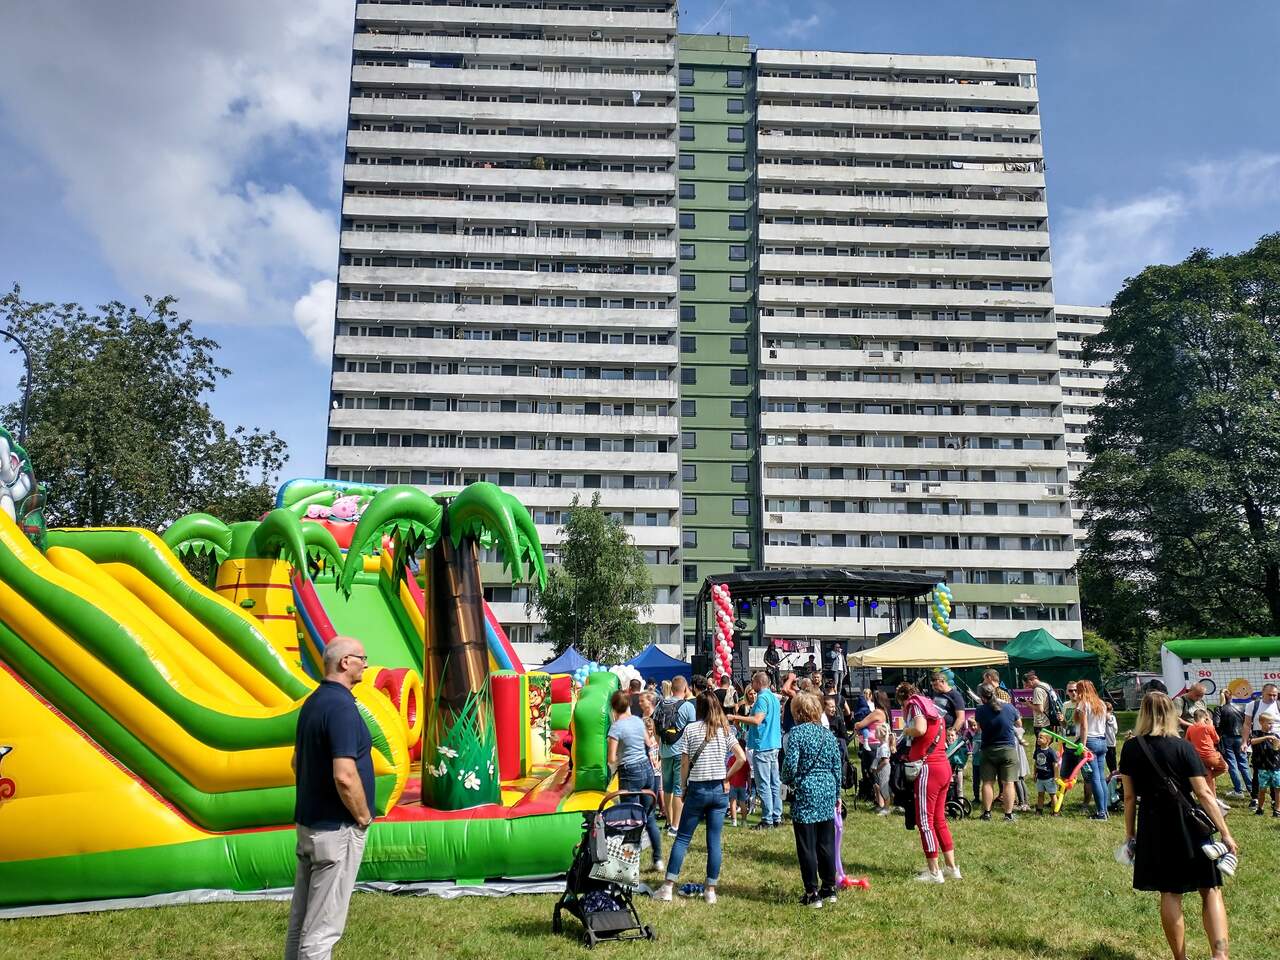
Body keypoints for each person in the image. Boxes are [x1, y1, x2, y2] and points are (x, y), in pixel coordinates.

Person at [1120, 692, 1234, 960]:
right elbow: (1204, 793)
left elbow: (1128, 797)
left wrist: (1130, 835)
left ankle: (1180, 958)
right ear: (1171, 713)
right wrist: (1225, 833)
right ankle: (1220, 956)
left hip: (1153, 825)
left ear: (1142, 713)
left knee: (1170, 893)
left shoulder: (1131, 748)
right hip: (1189, 824)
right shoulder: (1183, 747)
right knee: (1210, 888)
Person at [285, 637, 375, 960]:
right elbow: (344, 775)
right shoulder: (341, 708)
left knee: (301, 925)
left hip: (310, 827)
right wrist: (363, 816)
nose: (365, 663)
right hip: (336, 833)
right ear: (344, 662)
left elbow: (297, 763)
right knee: (322, 932)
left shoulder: (313, 703)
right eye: (361, 658)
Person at [652, 692, 747, 905]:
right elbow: (741, 758)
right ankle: (710, 890)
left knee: (683, 838)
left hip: (697, 788)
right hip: (719, 790)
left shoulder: (691, 729)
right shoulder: (725, 730)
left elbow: (684, 763)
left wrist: (683, 786)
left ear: (699, 709)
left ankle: (668, 887)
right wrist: (726, 776)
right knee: (714, 841)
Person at [781, 692, 846, 908]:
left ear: (798, 712)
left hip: (806, 790)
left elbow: (790, 765)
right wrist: (837, 794)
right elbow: (837, 767)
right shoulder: (828, 735)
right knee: (826, 842)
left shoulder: (797, 734)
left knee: (806, 844)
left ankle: (812, 892)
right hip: (827, 789)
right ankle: (829, 888)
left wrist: (787, 779)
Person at [898, 682, 959, 884]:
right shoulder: (933, 707)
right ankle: (951, 867)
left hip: (928, 769)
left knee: (925, 822)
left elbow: (920, 728)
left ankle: (934, 872)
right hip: (942, 766)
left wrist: (905, 730)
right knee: (939, 820)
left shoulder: (915, 706)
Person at [608, 690, 664, 872]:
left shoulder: (616, 727)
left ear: (613, 707)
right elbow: (649, 744)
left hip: (629, 772)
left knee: (630, 818)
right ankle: (658, 859)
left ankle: (629, 864)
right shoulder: (638, 722)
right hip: (646, 770)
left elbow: (611, 758)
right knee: (649, 818)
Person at [730, 671, 783, 828]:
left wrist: (735, 718)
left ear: (759, 683)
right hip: (774, 743)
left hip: (763, 745)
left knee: (763, 784)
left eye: (753, 682)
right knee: (774, 783)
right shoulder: (773, 697)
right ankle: (777, 816)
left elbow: (757, 720)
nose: (751, 685)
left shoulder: (762, 699)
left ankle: (767, 819)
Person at [656, 676, 696, 835]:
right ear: (685, 689)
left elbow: (655, 726)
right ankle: (675, 826)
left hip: (665, 751)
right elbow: (693, 731)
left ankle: (668, 821)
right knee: (679, 789)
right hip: (681, 752)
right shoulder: (687, 707)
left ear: (672, 688)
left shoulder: (660, 704)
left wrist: (661, 743)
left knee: (667, 788)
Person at [974, 683, 1020, 821]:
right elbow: (1019, 724)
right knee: (1008, 783)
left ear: (982, 697)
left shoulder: (980, 710)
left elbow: (979, 728)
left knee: (987, 782)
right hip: (1008, 749)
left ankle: (987, 813)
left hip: (988, 749)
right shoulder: (1009, 707)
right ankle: (1008, 814)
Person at [1074, 680, 1111, 820]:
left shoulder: (1084, 704)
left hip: (1090, 741)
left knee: (1094, 778)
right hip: (1102, 741)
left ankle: (1101, 813)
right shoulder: (1101, 703)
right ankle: (1105, 810)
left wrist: (1083, 745)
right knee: (1101, 777)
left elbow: (1084, 726)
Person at [1244, 683, 1280, 810]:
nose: (1272, 697)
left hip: (1276, 742)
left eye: (1275, 695)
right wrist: (1244, 742)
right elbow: (1247, 724)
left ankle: (1275, 800)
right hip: (1259, 741)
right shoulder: (1253, 705)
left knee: (1275, 770)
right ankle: (1255, 798)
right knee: (1258, 768)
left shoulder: (1278, 705)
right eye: (1269, 694)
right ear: (1262, 693)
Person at [1186, 707, 1229, 808]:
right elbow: (1217, 740)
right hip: (1210, 755)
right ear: (1205, 717)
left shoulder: (1190, 728)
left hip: (1198, 757)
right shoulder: (1207, 727)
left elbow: (1187, 741)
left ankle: (1213, 798)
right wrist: (1211, 725)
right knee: (1225, 767)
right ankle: (1206, 780)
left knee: (1209, 776)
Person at [1215, 692, 1250, 799]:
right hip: (1240, 737)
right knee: (1243, 763)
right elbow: (1246, 722)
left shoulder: (1219, 709)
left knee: (1232, 764)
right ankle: (1251, 789)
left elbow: (1216, 724)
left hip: (1227, 737)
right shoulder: (1241, 707)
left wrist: (1220, 734)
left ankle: (1238, 790)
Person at [1248, 712, 1280, 817]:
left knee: (1277, 789)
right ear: (1261, 722)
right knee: (1262, 789)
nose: (1271, 725)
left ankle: (1277, 810)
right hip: (1262, 767)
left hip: (1275, 766)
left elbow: (1277, 750)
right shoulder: (1256, 733)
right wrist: (1266, 738)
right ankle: (1260, 809)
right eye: (1269, 723)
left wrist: (1276, 744)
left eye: (1273, 723)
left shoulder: (1275, 735)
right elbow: (1252, 741)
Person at [929, 670, 967, 734]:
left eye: (935, 685)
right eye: (932, 685)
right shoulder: (936, 693)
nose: (933, 688)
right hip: (937, 731)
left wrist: (952, 733)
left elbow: (960, 718)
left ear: (943, 682)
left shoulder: (955, 695)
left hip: (948, 732)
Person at [1033, 729, 1060, 816]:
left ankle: (1055, 811)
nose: (1038, 739)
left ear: (1047, 741)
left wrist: (1056, 776)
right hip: (1040, 778)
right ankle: (1039, 810)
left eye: (1041, 737)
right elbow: (1035, 763)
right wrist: (1034, 774)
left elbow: (1055, 765)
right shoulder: (1037, 750)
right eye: (1038, 737)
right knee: (1040, 794)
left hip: (1049, 778)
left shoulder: (1051, 752)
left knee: (1052, 795)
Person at [873, 722, 894, 815]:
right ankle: (885, 806)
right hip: (881, 769)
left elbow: (885, 761)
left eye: (876, 732)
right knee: (881, 787)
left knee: (884, 788)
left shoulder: (884, 747)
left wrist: (877, 769)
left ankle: (886, 808)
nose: (874, 733)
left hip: (884, 769)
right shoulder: (880, 746)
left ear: (881, 734)